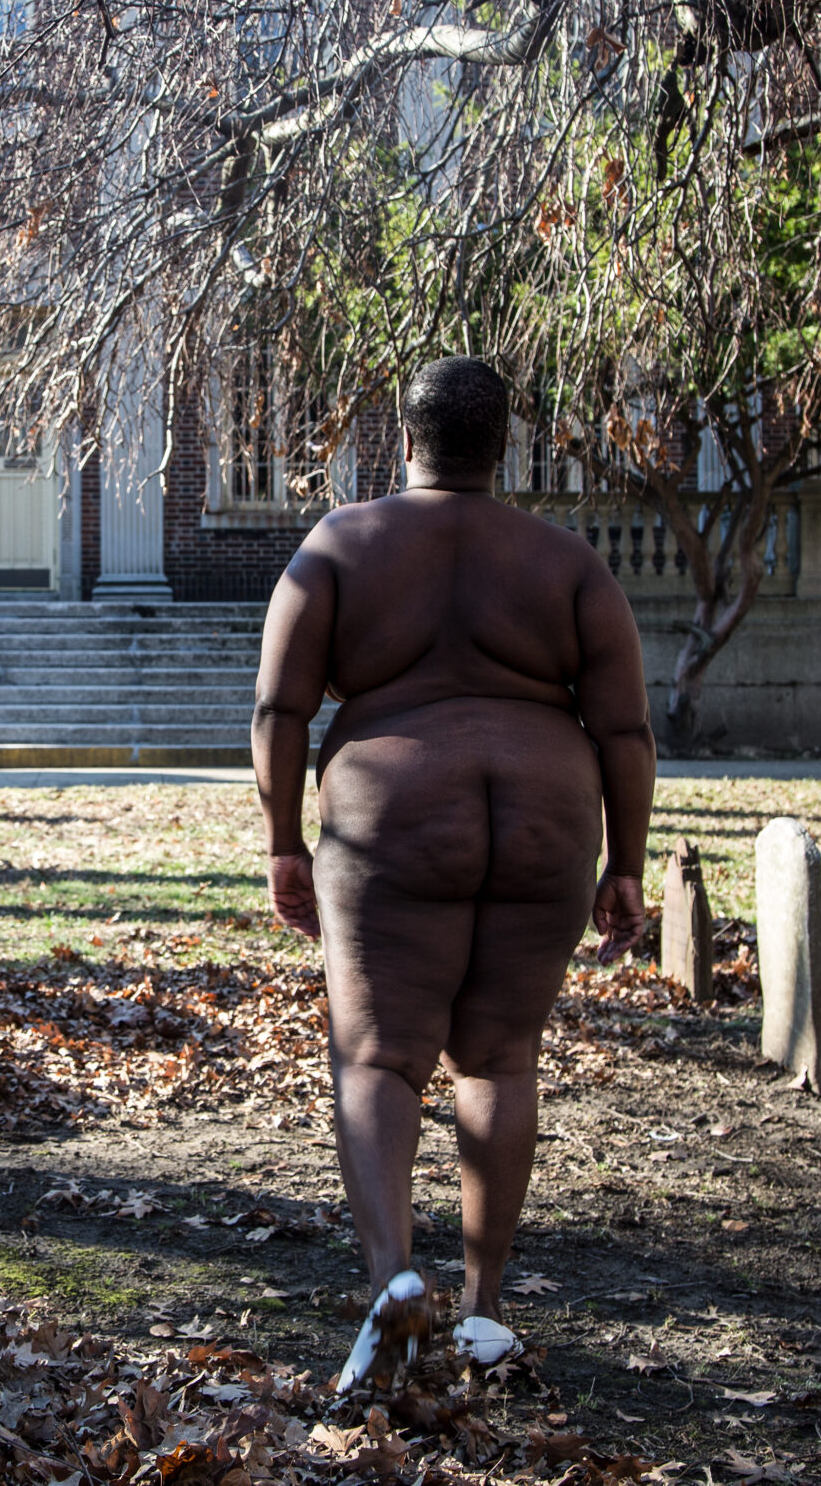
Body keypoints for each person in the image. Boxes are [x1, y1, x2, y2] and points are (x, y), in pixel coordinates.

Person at [251, 355, 655, 1393]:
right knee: (500, 1060)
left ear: (404, 439)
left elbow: (280, 708)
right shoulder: (567, 563)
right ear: (503, 446)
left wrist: (283, 840)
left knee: (379, 1059)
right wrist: (626, 862)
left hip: (393, 811)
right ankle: (483, 1311)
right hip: (545, 812)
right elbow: (625, 730)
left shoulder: (340, 545)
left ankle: (394, 1278)